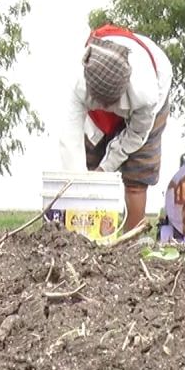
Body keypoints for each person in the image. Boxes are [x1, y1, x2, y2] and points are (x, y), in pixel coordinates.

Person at [58, 25, 173, 230]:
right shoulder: (79, 84)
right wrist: (79, 183)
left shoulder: (146, 93)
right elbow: (70, 139)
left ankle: (132, 238)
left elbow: (136, 135)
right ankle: (85, 234)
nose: (107, 108)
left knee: (138, 172)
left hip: (143, 114)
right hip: (95, 113)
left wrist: (106, 168)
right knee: (89, 160)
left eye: (110, 104)